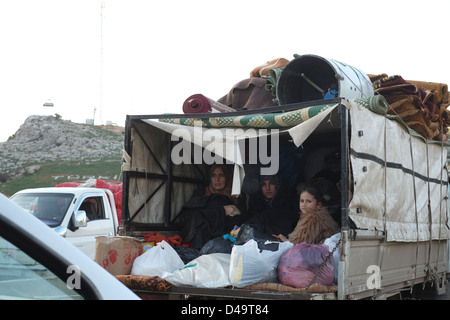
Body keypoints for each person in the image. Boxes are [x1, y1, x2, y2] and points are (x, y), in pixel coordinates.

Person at [177, 164, 246, 249]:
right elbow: (188, 213)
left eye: (221, 175)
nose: (217, 179)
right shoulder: (201, 193)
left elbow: (241, 223)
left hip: (224, 242)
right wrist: (222, 211)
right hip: (203, 239)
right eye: (214, 175)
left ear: (227, 177)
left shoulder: (235, 197)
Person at [274, 183, 340, 244]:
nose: (304, 205)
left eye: (308, 201)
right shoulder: (307, 216)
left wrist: (286, 241)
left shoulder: (315, 219)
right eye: (302, 201)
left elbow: (299, 246)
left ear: (318, 204)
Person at [244, 174, 299, 238]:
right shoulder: (255, 202)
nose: (268, 188)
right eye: (264, 184)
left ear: (277, 184)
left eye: (271, 183)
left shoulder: (288, 199)